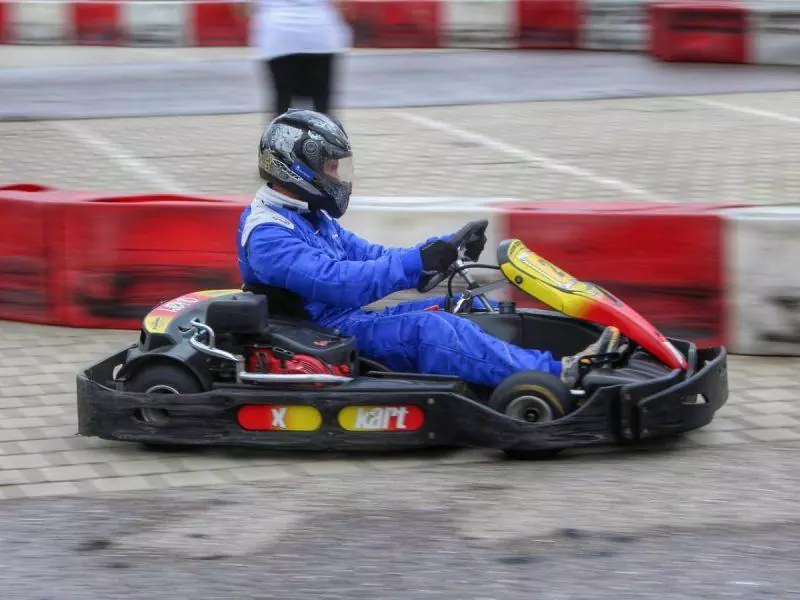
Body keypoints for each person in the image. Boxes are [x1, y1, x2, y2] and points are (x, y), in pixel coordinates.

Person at [237, 109, 619, 389]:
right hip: (320, 335)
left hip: (346, 320)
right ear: (295, 168)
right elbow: (340, 282)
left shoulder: (309, 215)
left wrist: (440, 249)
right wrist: (414, 263)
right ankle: (558, 377)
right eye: (330, 168)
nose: (338, 177)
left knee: (462, 308)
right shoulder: (268, 234)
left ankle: (545, 361)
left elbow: (370, 255)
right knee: (429, 329)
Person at [242, 0, 352, 118]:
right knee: (322, 105)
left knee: (282, 102)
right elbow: (343, 5)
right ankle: (324, 134)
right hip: (319, 34)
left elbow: (244, 9)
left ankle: (282, 134)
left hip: (278, 35)